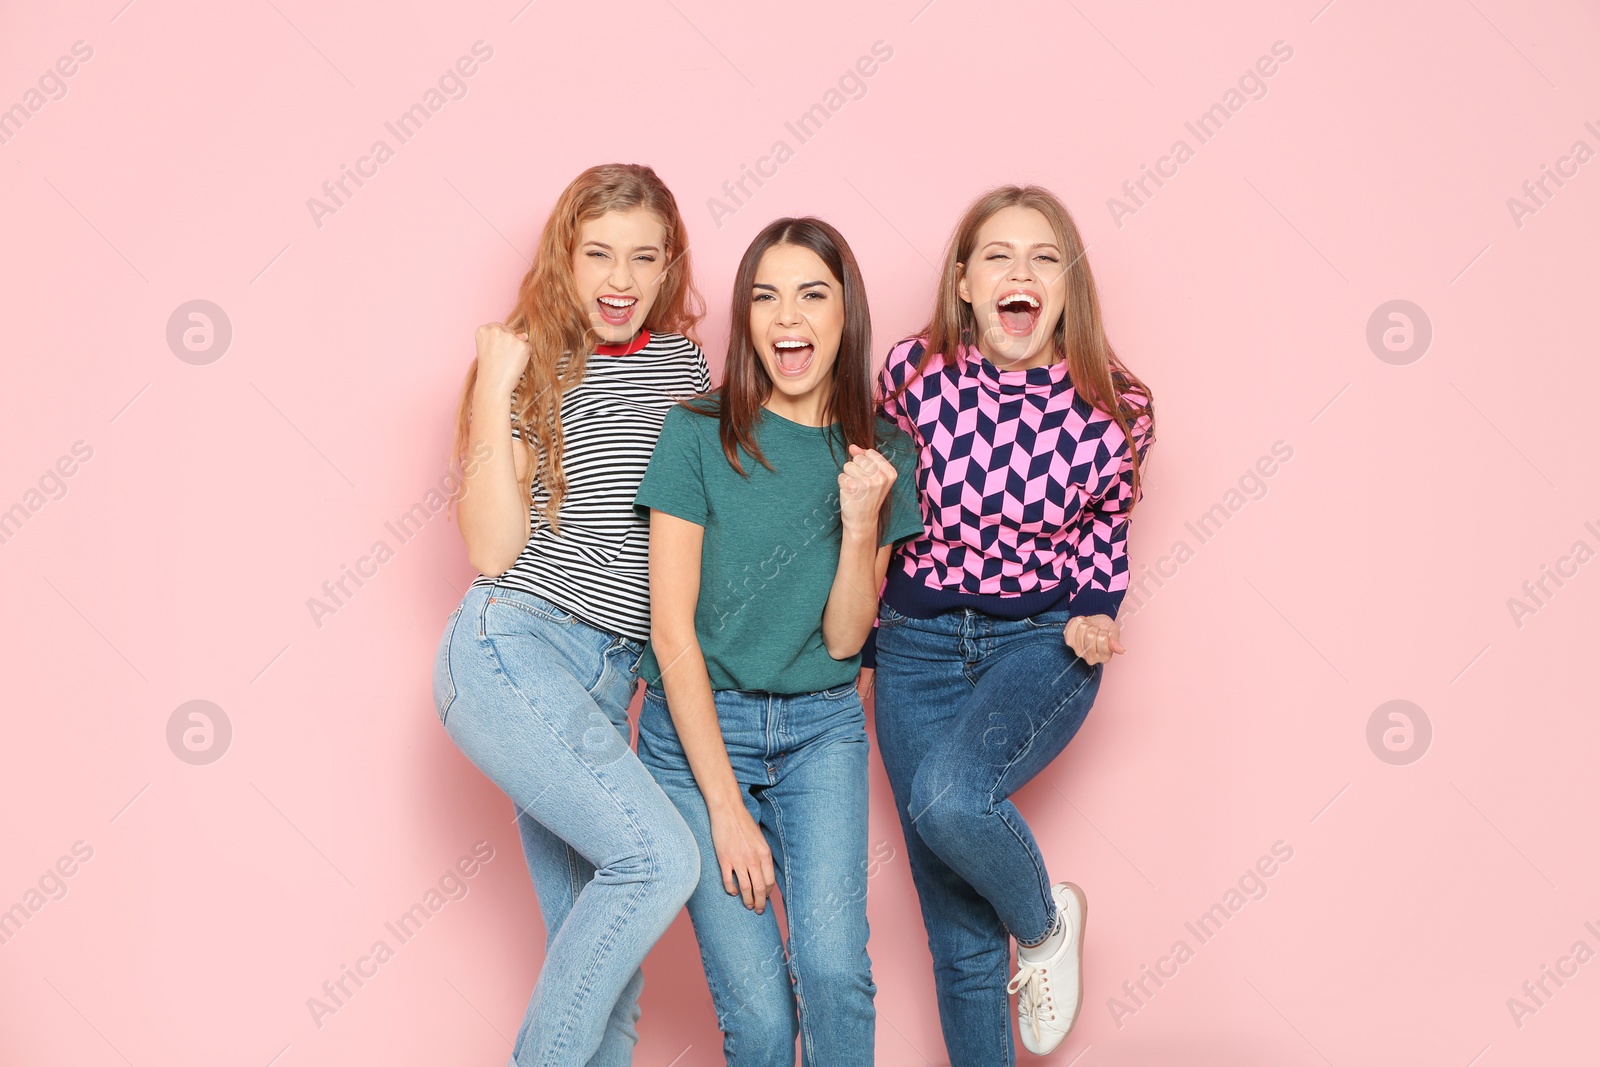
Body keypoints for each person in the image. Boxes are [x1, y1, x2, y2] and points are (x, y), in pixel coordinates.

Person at [867, 185, 1157, 1062]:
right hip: (914, 645)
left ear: (1068, 287)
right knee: (956, 938)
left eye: (1043, 258)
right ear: (964, 281)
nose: (1020, 273)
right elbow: (875, 503)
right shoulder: (910, 374)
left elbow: (1108, 528)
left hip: (1044, 640)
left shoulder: (1119, 409)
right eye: (998, 255)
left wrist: (1097, 615)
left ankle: (1043, 926)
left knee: (952, 799)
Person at [431, 163, 709, 1066]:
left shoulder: (686, 368)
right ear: (566, 256)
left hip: (606, 685)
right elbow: (491, 548)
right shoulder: (526, 361)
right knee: (659, 860)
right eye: (598, 254)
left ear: (669, 268)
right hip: (513, 650)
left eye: (643, 257)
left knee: (610, 985)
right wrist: (493, 385)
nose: (619, 280)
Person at [633, 217, 923, 1065]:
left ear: (845, 313)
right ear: (746, 314)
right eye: (765, 296)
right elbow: (669, 626)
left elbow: (843, 640)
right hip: (693, 739)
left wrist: (862, 516)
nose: (786, 317)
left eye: (811, 294)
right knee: (760, 1021)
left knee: (834, 973)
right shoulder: (694, 433)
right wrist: (724, 810)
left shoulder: (883, 453)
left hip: (820, 730)